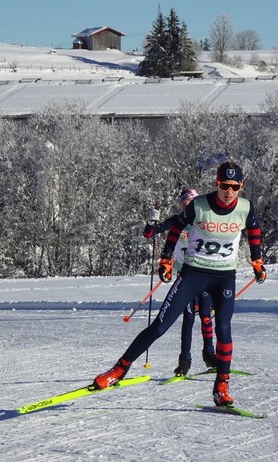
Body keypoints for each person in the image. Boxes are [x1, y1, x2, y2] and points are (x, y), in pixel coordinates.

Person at [92, 161, 266, 406]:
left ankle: (221, 386)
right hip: (194, 273)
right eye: (224, 186)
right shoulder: (199, 205)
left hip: (224, 276)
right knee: (161, 326)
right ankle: (119, 369)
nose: (229, 192)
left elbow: (254, 230)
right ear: (217, 183)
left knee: (223, 329)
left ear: (241, 186)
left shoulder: (245, 208)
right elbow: (176, 227)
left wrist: (257, 260)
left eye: (234, 187)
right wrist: (166, 258)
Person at [142, 188, 216, 376]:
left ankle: (209, 354)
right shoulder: (178, 220)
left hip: (204, 271)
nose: (187, 208)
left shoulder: (203, 221)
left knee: (206, 316)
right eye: (185, 204)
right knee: (189, 318)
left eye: (191, 204)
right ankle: (184, 361)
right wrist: (152, 220)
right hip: (185, 275)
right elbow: (149, 234)